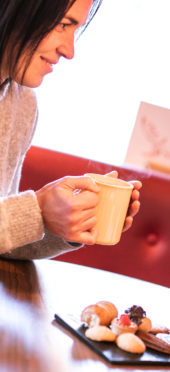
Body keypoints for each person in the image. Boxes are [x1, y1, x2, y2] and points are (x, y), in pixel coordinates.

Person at [0, 0, 141, 258]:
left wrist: (66, 221)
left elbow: (4, 239)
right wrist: (38, 210)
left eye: (75, 29)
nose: (69, 50)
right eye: (63, 24)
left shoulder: (21, 102)